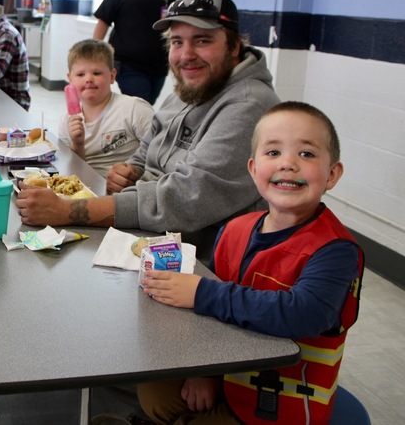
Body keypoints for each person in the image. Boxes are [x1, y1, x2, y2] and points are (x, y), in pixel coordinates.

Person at [137, 101, 364, 425]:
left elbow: (304, 314)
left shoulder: (336, 249)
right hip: (226, 375)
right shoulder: (234, 230)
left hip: (281, 401)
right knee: (153, 392)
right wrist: (204, 373)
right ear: (253, 169)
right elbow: (208, 321)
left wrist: (202, 294)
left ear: (332, 174)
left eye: (307, 154)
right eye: (273, 153)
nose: (288, 164)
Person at [16, 0, 280, 256]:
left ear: (234, 45)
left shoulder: (250, 106)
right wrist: (131, 171)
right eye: (177, 42)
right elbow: (145, 153)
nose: (186, 55)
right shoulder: (191, 89)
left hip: (201, 263)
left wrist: (66, 210)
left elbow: (184, 200)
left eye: (202, 41)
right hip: (150, 237)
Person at [93, 0, 180, 105]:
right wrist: (94, 54)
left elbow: (179, 25)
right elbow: (104, 19)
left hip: (159, 63)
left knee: (147, 104)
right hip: (128, 63)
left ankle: (131, 130)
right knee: (142, 105)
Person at [59, 39, 153, 177]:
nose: (89, 79)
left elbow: (159, 155)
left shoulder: (134, 109)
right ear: (70, 79)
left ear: (112, 76)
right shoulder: (66, 122)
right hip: (87, 187)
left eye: (97, 73)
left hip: (127, 188)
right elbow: (73, 173)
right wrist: (77, 144)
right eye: (80, 74)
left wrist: (135, 174)